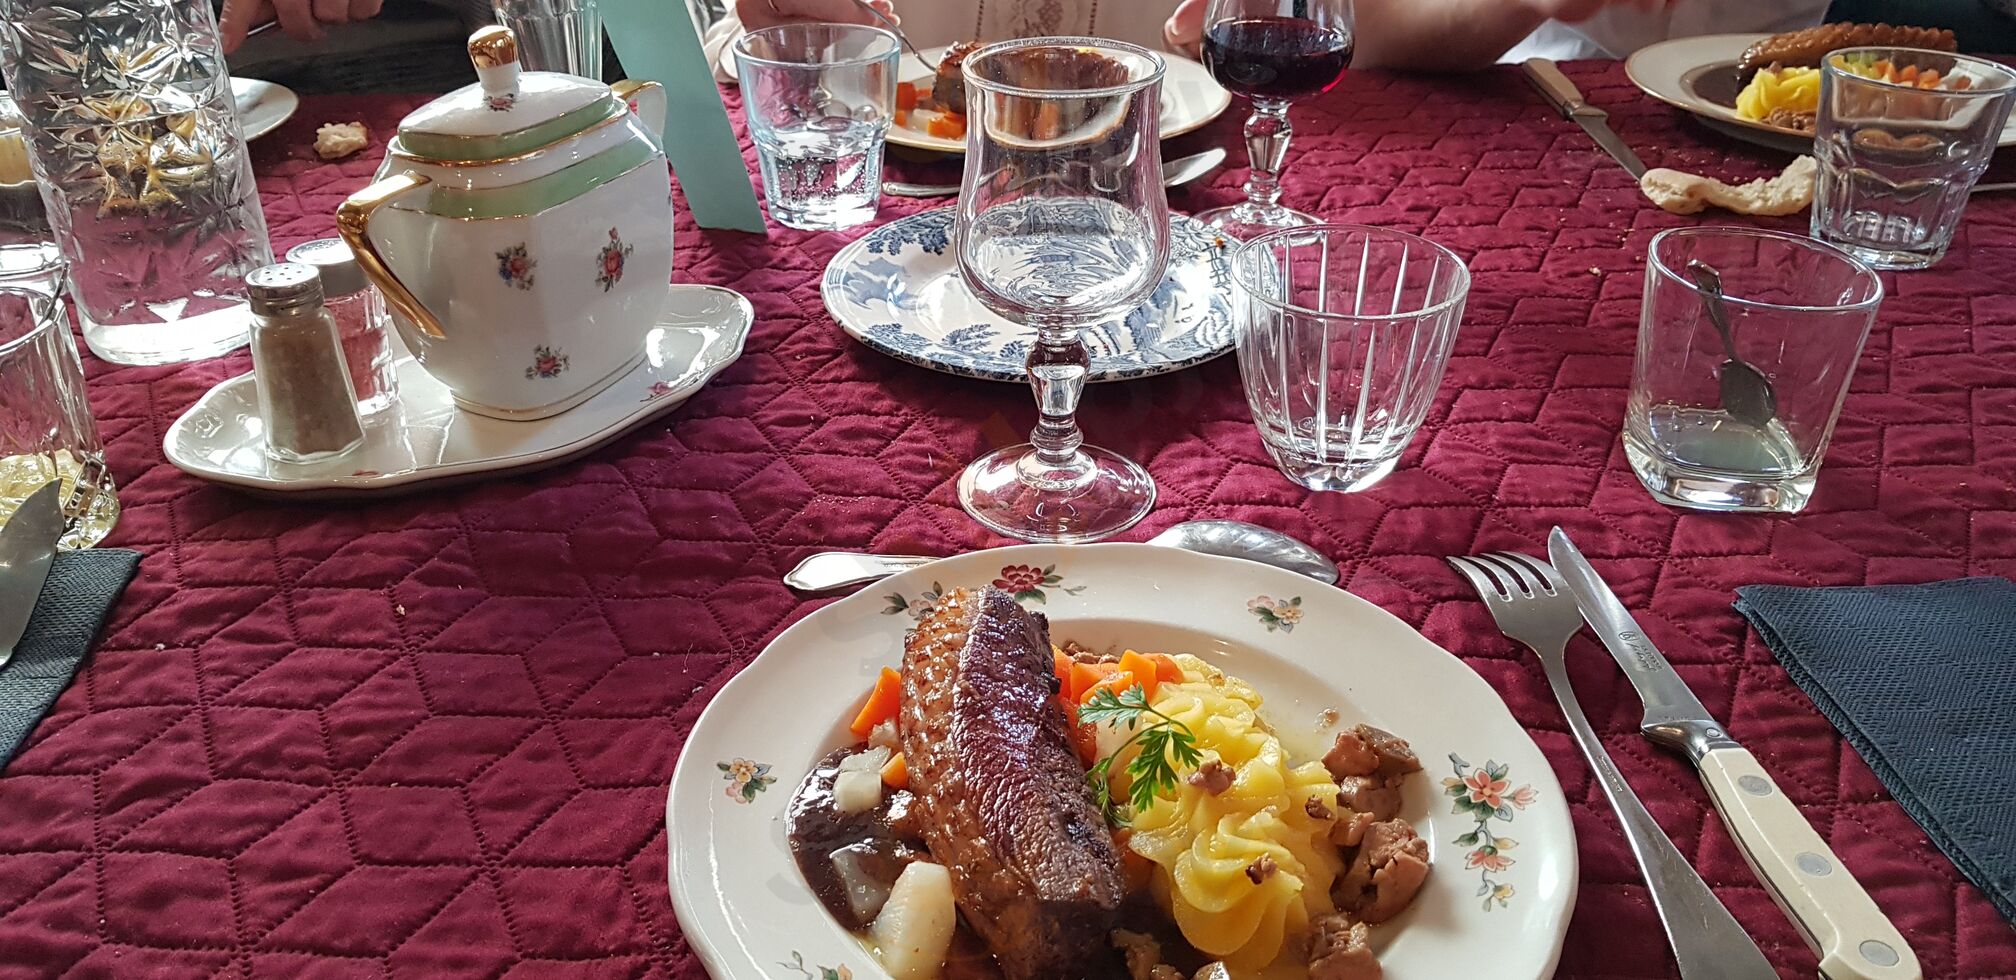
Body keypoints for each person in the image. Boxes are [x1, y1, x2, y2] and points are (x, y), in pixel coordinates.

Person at [703, 0, 1839, 77]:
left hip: (1179, 208)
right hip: (910, 212)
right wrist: (796, 28)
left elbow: (1376, 29)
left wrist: (1512, 2)